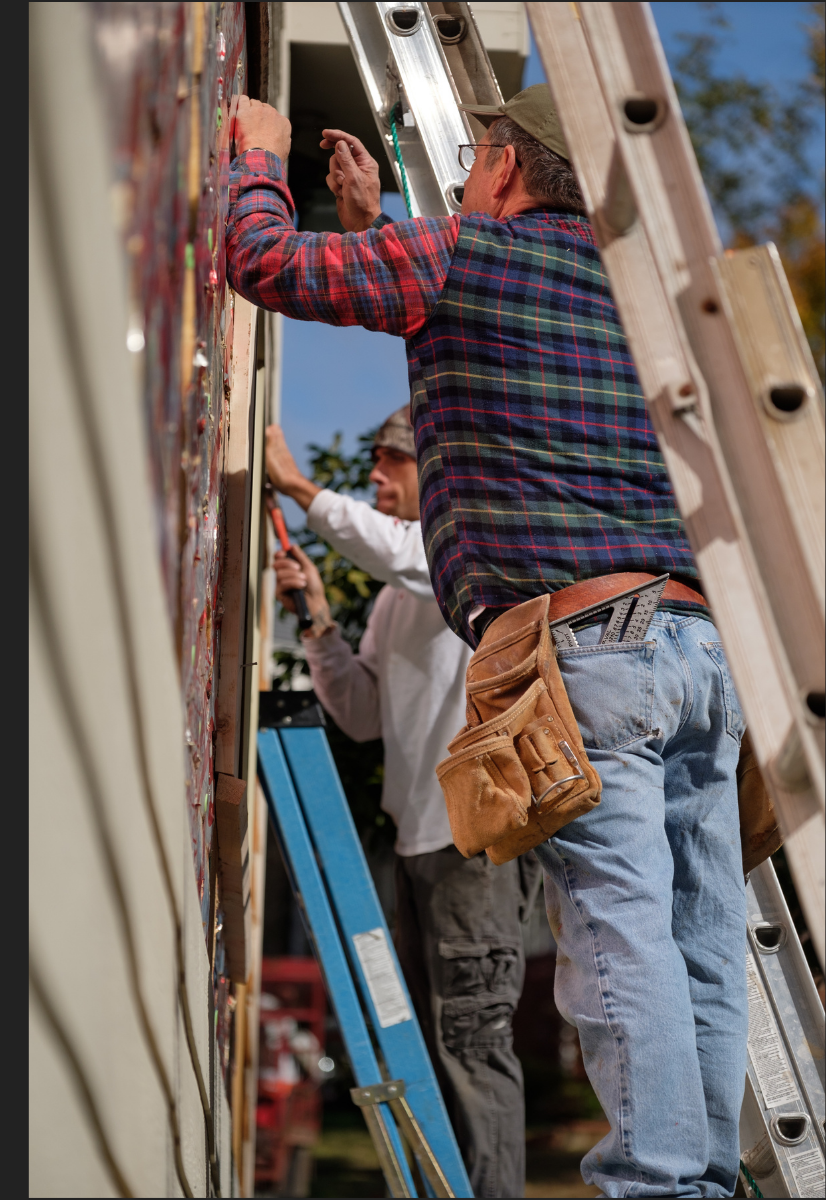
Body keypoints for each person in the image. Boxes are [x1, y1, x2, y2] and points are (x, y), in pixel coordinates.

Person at [229, 86, 744, 1196]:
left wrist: (260, 160)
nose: (458, 193)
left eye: (469, 172)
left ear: (505, 167)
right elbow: (481, 346)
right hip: (700, 651)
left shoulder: (466, 255)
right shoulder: (637, 297)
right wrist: (384, 225)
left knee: (618, 941)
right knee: (697, 940)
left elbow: (266, 263)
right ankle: (701, 1179)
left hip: (594, 654)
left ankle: (659, 1187)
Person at [265, 411, 537, 1197]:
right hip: (421, 841)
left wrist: (297, 488)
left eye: (389, 462)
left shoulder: (470, 552)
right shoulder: (395, 598)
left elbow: (409, 554)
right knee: (424, 1044)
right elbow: (361, 715)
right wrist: (318, 621)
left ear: (436, 465)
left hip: (475, 843)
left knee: (472, 1042)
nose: (376, 479)